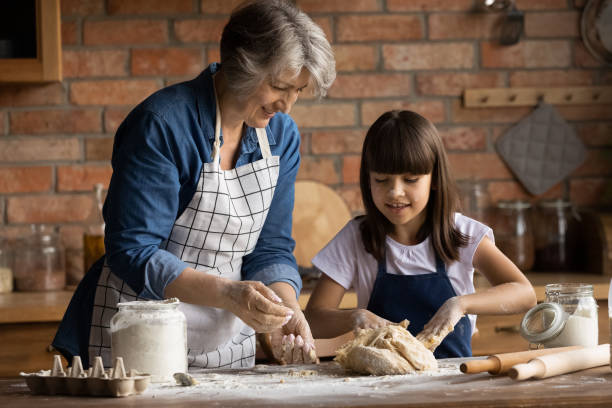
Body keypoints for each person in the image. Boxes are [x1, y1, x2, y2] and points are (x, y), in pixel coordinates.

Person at [53, 0, 335, 369]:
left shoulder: (281, 136)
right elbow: (133, 250)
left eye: (297, 90)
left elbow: (270, 248)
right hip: (140, 333)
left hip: (227, 342)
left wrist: (287, 310)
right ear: (243, 67)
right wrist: (229, 294)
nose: (287, 106)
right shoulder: (163, 125)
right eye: (280, 87)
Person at [305, 110, 536, 358]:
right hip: (380, 387)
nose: (395, 192)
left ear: (434, 179)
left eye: (411, 179)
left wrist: (461, 304)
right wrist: (354, 316)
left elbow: (525, 294)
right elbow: (313, 319)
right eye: (382, 180)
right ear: (367, 180)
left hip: (451, 382)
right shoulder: (355, 238)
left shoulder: (462, 234)